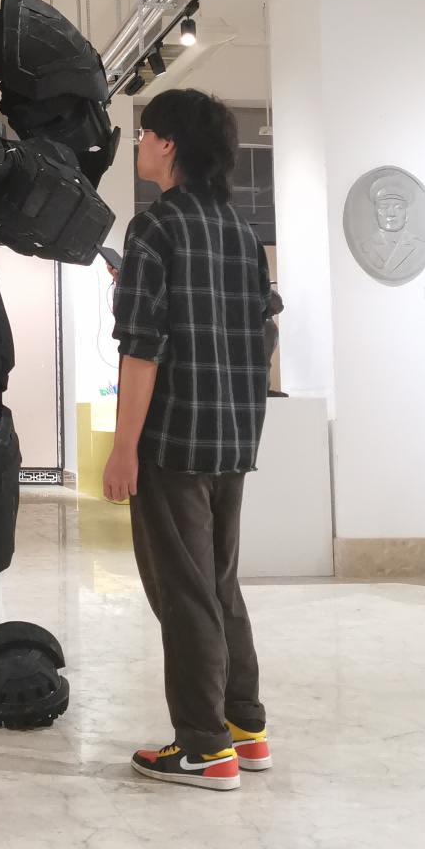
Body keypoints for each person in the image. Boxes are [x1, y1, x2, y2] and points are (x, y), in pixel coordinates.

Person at [103, 88, 272, 792]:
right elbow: (262, 330)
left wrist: (122, 448)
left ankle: (204, 747)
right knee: (219, 584)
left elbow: (142, 349)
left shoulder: (155, 229)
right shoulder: (240, 231)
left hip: (173, 440)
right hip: (233, 436)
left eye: (145, 134)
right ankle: (244, 727)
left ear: (168, 144)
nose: (139, 145)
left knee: (184, 593)